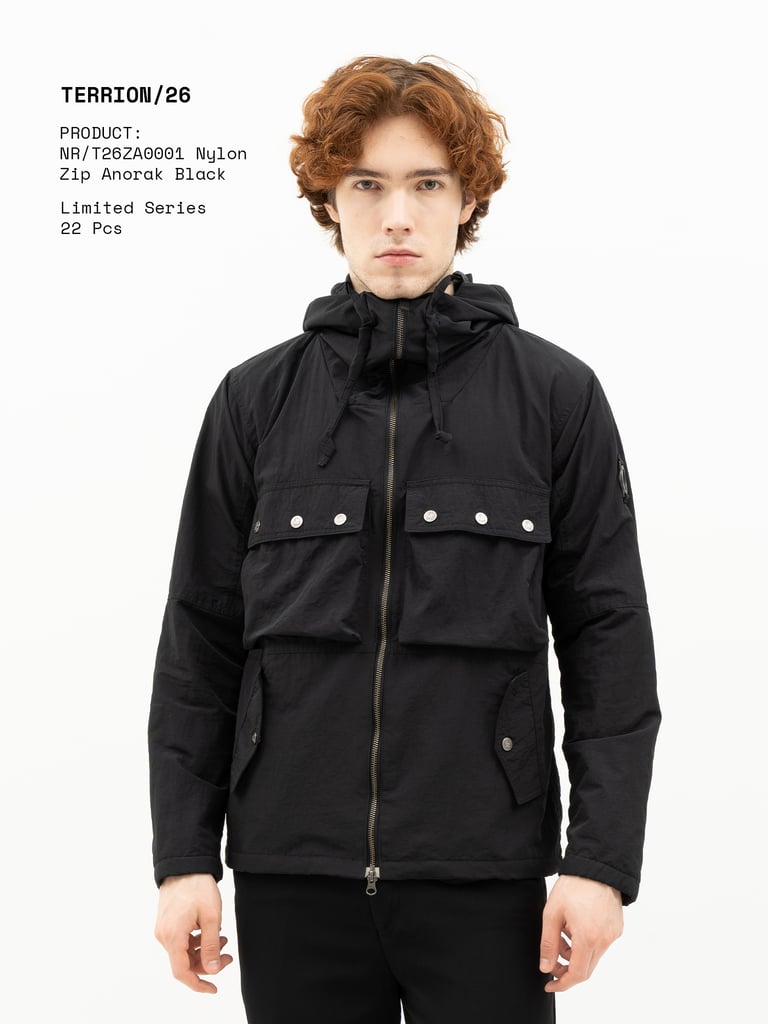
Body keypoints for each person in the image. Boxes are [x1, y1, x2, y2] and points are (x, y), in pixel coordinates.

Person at [149, 55, 661, 1023]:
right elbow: (198, 644)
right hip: (292, 878)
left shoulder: (557, 398)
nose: (396, 217)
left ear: (467, 200)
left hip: (487, 882)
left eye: (427, 185)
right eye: (366, 185)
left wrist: (600, 864)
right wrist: (183, 859)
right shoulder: (254, 402)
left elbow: (611, 644)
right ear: (328, 202)